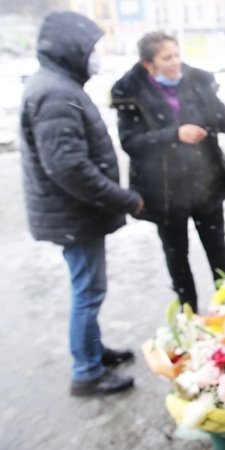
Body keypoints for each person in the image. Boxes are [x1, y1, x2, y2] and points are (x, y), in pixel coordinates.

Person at [20, 11, 143, 397]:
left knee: (88, 288)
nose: (95, 55)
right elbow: (69, 167)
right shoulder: (55, 93)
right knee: (88, 291)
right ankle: (86, 372)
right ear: (70, 48)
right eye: (90, 48)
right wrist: (123, 198)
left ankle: (92, 350)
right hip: (74, 213)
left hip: (75, 212)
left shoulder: (58, 85)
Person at [111, 32, 225, 313]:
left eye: (176, 54)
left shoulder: (196, 83)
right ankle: (189, 316)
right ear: (149, 65)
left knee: (217, 249)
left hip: (205, 184)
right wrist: (175, 135)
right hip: (166, 193)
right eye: (166, 58)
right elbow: (131, 143)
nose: (175, 62)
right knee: (177, 257)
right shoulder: (132, 94)